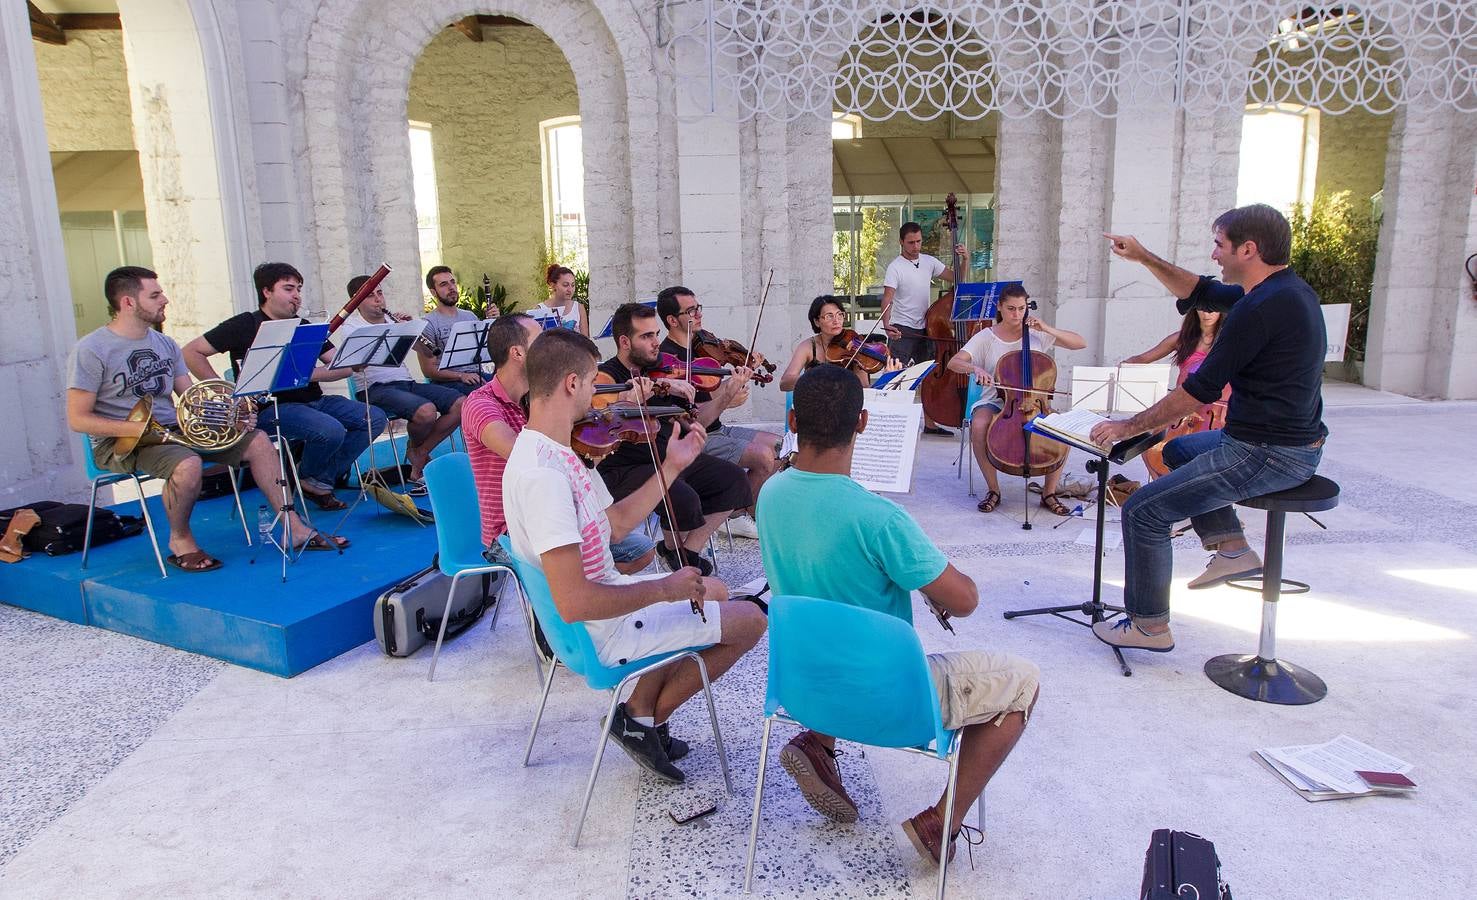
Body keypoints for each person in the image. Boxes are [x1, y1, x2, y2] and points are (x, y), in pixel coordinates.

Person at [755, 364, 1039, 866]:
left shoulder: (771, 494)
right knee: (1022, 683)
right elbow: (965, 600)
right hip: (889, 705)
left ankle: (819, 742)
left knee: (836, 618)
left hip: (803, 687)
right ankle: (942, 821)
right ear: (863, 423)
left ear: (793, 421)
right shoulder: (879, 517)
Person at [502, 328, 766, 783]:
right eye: (591, 384)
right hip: (600, 629)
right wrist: (664, 588)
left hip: (608, 602)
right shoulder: (543, 477)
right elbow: (574, 602)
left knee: (718, 590)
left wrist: (672, 467)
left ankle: (643, 715)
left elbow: (617, 524)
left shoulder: (554, 453)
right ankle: (641, 718)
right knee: (751, 620)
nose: (597, 394)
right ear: (570, 384)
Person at [1090, 204, 1329, 652]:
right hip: (1278, 442)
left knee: (1143, 510)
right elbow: (1200, 290)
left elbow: (1198, 390)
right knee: (1180, 451)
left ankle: (1149, 625)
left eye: (1220, 245)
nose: (1214, 255)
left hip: (1268, 452)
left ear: (1248, 248)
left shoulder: (1257, 310)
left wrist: (1127, 427)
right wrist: (1143, 257)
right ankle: (1232, 549)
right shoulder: (1280, 292)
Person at [69, 267, 343, 571]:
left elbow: (191, 397)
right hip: (122, 441)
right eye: (155, 295)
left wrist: (231, 413)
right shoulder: (91, 349)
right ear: (128, 302)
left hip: (173, 429)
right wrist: (137, 427)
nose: (166, 300)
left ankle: (295, 529)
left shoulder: (165, 344)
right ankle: (181, 540)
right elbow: (78, 419)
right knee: (187, 464)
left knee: (259, 441)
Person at [182, 262, 385, 515]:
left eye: (298, 289)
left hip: (314, 401)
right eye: (289, 289)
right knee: (329, 430)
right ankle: (312, 478)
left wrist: (305, 375)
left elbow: (341, 367)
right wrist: (226, 392)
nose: (297, 296)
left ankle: (315, 479)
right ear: (266, 291)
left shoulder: (304, 325)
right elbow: (191, 352)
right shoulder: (244, 324)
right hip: (270, 407)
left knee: (374, 418)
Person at [463, 315, 657, 574]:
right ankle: (573, 596)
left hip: (553, 506)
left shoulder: (536, 397)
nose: (549, 345)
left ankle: (583, 593)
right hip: (510, 531)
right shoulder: (481, 404)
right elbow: (527, 453)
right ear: (518, 353)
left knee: (639, 548)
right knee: (609, 538)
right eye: (540, 340)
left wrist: (619, 405)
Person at [595, 302, 753, 576]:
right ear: (624, 341)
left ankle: (684, 551)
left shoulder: (659, 370)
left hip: (666, 455)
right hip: (624, 467)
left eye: (656, 334)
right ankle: (677, 554)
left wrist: (725, 397)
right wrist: (630, 398)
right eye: (647, 336)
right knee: (684, 497)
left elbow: (693, 420)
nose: (657, 343)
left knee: (733, 478)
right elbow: (600, 412)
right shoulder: (607, 374)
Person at [945, 284, 1087, 516]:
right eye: (1011, 309)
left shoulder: (1038, 334)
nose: (1017, 315)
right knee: (979, 425)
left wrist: (1047, 328)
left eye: (1022, 309)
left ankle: (1048, 493)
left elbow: (1080, 342)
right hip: (998, 401)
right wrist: (974, 368)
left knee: (1063, 428)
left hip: (1036, 402)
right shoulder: (986, 337)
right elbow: (954, 362)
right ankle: (993, 489)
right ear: (999, 307)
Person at [656, 285, 779, 539]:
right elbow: (693, 416)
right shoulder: (667, 363)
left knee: (781, 446)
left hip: (718, 429)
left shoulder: (698, 347)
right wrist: (728, 398)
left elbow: (708, 390)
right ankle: (734, 516)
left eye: (698, 308)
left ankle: (747, 510)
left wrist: (743, 373)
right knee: (765, 457)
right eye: (691, 311)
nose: (699, 314)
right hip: (697, 437)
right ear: (672, 320)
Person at [340, 274, 465, 488]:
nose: (379, 299)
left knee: (462, 404)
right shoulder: (352, 327)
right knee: (426, 412)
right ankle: (419, 459)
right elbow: (356, 365)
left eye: (380, 293)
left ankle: (419, 452)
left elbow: (428, 353)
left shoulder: (393, 320)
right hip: (374, 388)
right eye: (371, 296)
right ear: (357, 301)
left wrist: (412, 330)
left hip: (405, 383)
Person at [1122, 307, 1231, 479]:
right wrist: (1127, 364)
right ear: (1195, 311)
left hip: (1216, 412)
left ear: (1221, 312)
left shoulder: (1229, 340)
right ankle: (1166, 489)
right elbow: (1144, 358)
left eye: (1212, 310)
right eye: (1202, 309)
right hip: (1183, 408)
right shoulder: (1181, 339)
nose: (1207, 314)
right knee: (1152, 444)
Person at [881, 222, 966, 435]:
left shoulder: (929, 262)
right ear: (901, 242)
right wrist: (887, 325)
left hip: (926, 327)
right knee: (897, 375)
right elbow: (888, 298)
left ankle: (929, 423)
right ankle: (890, 423)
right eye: (911, 242)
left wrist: (966, 259)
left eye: (918, 241)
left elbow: (957, 279)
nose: (916, 246)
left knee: (928, 376)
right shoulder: (895, 267)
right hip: (902, 328)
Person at [778, 296, 880, 391]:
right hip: (816, 404)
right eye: (829, 316)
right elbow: (784, 383)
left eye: (839, 315)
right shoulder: (808, 346)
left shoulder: (853, 343)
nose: (836, 321)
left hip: (846, 404)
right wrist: (816, 378)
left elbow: (864, 387)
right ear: (817, 321)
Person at [418, 266, 487, 395]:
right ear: (433, 292)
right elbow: (428, 370)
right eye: (443, 284)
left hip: (477, 375)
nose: (451, 287)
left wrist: (493, 320)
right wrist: (460, 376)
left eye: (452, 282)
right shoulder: (428, 323)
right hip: (448, 383)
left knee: (517, 386)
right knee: (485, 394)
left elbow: (486, 349)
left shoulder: (470, 316)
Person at [529, 264, 588, 336]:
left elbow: (586, 341)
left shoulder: (579, 308)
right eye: (565, 285)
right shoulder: (540, 309)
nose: (570, 290)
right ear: (553, 285)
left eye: (573, 285)